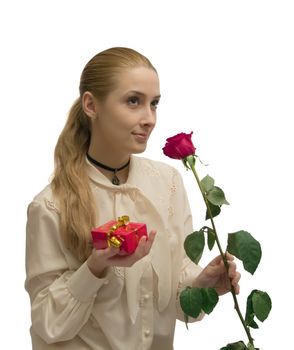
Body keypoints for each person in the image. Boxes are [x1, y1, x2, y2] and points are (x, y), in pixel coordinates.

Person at [25, 47, 241, 350]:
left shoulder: (168, 184)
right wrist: (94, 269)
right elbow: (48, 323)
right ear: (91, 104)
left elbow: (174, 284)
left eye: (154, 104)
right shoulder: (51, 205)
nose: (149, 118)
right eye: (133, 102)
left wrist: (202, 283)